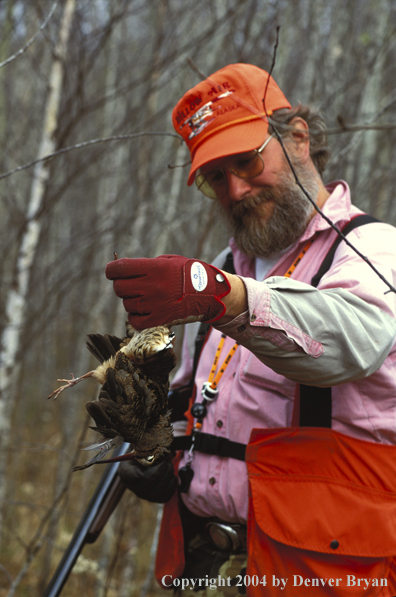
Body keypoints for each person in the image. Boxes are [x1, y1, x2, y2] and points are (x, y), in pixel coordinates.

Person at [105, 64, 396, 596]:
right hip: (207, 569)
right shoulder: (226, 263)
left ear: (298, 139)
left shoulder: (373, 248)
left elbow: (349, 342)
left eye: (247, 160)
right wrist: (159, 448)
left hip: (323, 572)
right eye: (216, 176)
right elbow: (200, 396)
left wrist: (222, 294)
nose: (235, 189)